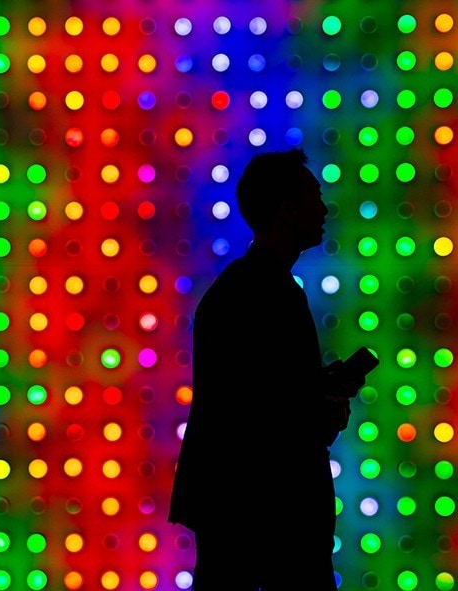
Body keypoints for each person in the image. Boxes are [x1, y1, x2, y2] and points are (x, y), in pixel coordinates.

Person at [168, 148, 367, 590]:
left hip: (241, 505)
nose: (323, 206)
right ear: (285, 209)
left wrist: (314, 394)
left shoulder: (244, 287)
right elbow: (260, 413)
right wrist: (319, 409)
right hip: (268, 508)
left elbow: (250, 397)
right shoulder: (266, 292)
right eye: (312, 195)